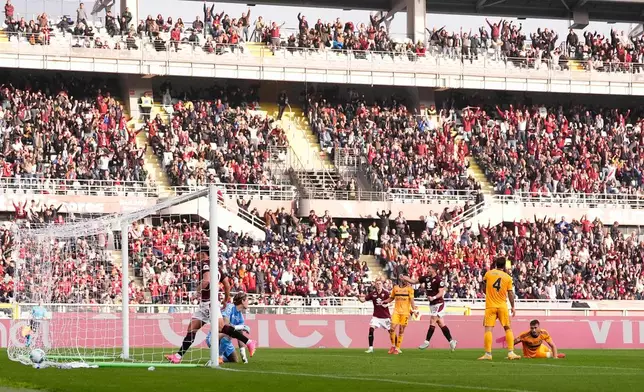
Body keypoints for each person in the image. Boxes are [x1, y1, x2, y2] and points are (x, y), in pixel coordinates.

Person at [165, 245, 257, 364]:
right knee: (192, 329)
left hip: (209, 303)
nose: (196, 256)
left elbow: (206, 280)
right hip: (205, 304)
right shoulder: (217, 268)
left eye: (197, 254)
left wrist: (196, 292)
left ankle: (249, 342)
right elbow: (227, 285)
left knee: (222, 328)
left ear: (203, 254)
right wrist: (225, 299)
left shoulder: (205, 264)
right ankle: (178, 356)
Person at [402, 265, 457, 351]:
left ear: (434, 270)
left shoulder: (439, 280)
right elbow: (413, 281)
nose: (427, 269)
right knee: (441, 324)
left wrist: (433, 297)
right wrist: (404, 277)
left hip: (439, 304)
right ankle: (451, 341)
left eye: (429, 268)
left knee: (432, 320)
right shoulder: (425, 278)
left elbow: (441, 293)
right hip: (432, 305)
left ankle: (426, 342)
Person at [478, 257, 520, 360]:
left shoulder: (488, 273)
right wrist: (513, 307)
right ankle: (511, 352)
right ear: (504, 265)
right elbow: (510, 293)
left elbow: (483, 286)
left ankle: (488, 354)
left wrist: (487, 292)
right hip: (502, 306)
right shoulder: (507, 277)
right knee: (507, 327)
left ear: (496, 264)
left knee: (488, 329)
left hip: (490, 306)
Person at [206, 292, 252, 364]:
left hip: (225, 339)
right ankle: (218, 357)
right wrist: (240, 327)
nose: (248, 303)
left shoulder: (240, 318)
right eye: (247, 300)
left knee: (234, 359)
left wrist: (244, 356)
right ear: (242, 301)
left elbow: (239, 336)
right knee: (228, 332)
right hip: (215, 336)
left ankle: (216, 357)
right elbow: (225, 325)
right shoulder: (229, 307)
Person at [383, 266, 416, 355]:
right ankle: (393, 346)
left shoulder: (410, 289)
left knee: (401, 330)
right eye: (405, 278)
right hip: (396, 312)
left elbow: (412, 301)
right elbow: (391, 298)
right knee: (392, 328)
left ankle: (397, 348)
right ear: (402, 278)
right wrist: (384, 301)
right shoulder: (395, 288)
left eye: (407, 279)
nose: (407, 280)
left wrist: (415, 309)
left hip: (405, 313)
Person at [358, 278, 392, 353]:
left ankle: (395, 346)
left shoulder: (386, 293)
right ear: (375, 285)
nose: (378, 285)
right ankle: (371, 348)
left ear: (382, 285)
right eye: (377, 284)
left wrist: (387, 305)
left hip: (385, 317)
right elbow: (363, 301)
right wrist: (359, 298)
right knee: (371, 329)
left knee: (391, 332)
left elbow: (392, 301)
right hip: (376, 316)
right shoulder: (373, 294)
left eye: (380, 284)